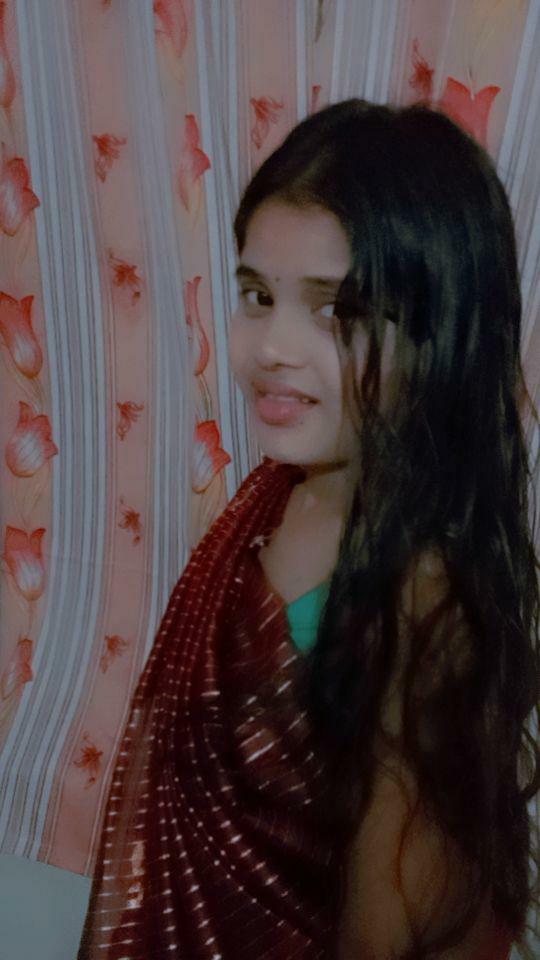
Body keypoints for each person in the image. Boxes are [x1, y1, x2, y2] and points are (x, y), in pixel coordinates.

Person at [77, 99, 540, 959]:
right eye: (258, 295)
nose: (272, 347)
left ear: (442, 331)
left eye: (337, 309)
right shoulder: (269, 497)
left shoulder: (427, 602)